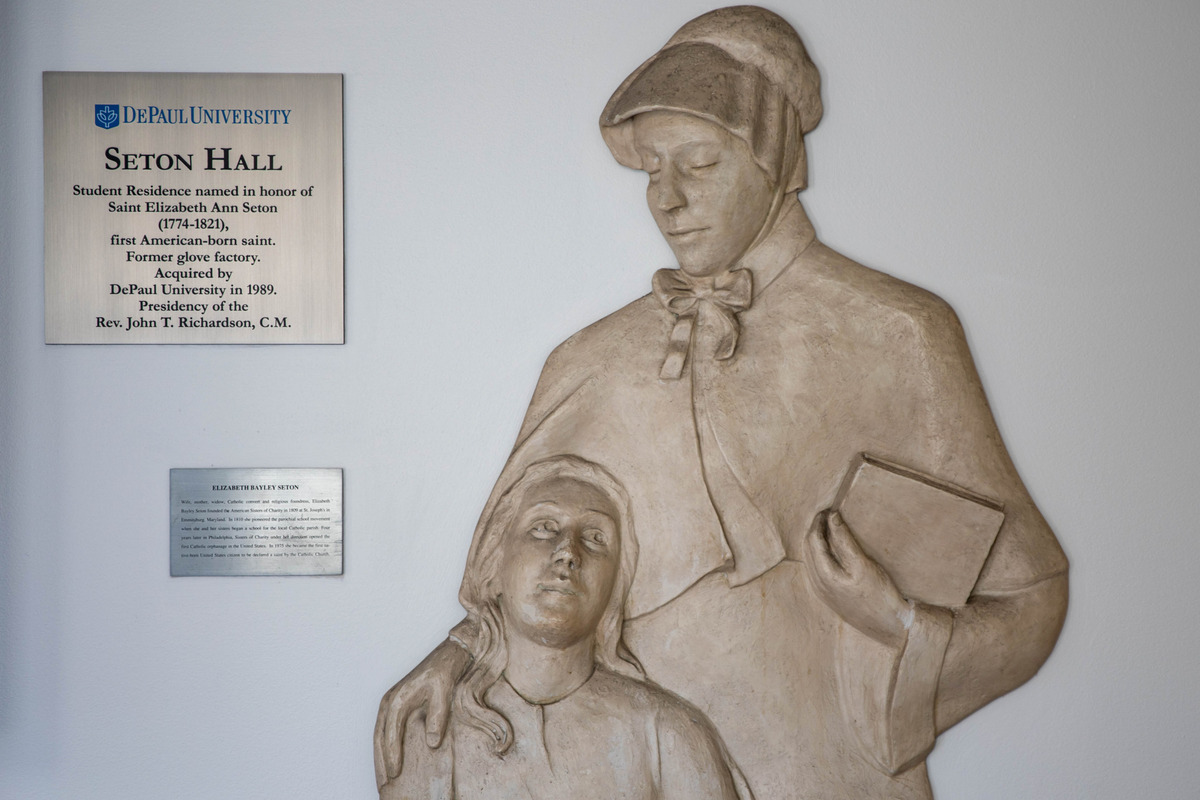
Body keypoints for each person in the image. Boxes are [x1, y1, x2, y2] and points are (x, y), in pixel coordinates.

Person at [376, 7, 1068, 799]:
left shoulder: (897, 334)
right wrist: (463, 651)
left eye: (698, 163)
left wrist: (901, 626)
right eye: (651, 171)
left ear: (773, 154)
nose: (668, 199)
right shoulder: (591, 360)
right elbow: (532, 548)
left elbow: (1030, 600)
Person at [379, 456, 752, 800]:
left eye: (595, 537)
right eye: (543, 528)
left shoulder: (669, 733)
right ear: (494, 566)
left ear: (615, 588)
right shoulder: (431, 732)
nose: (569, 552)